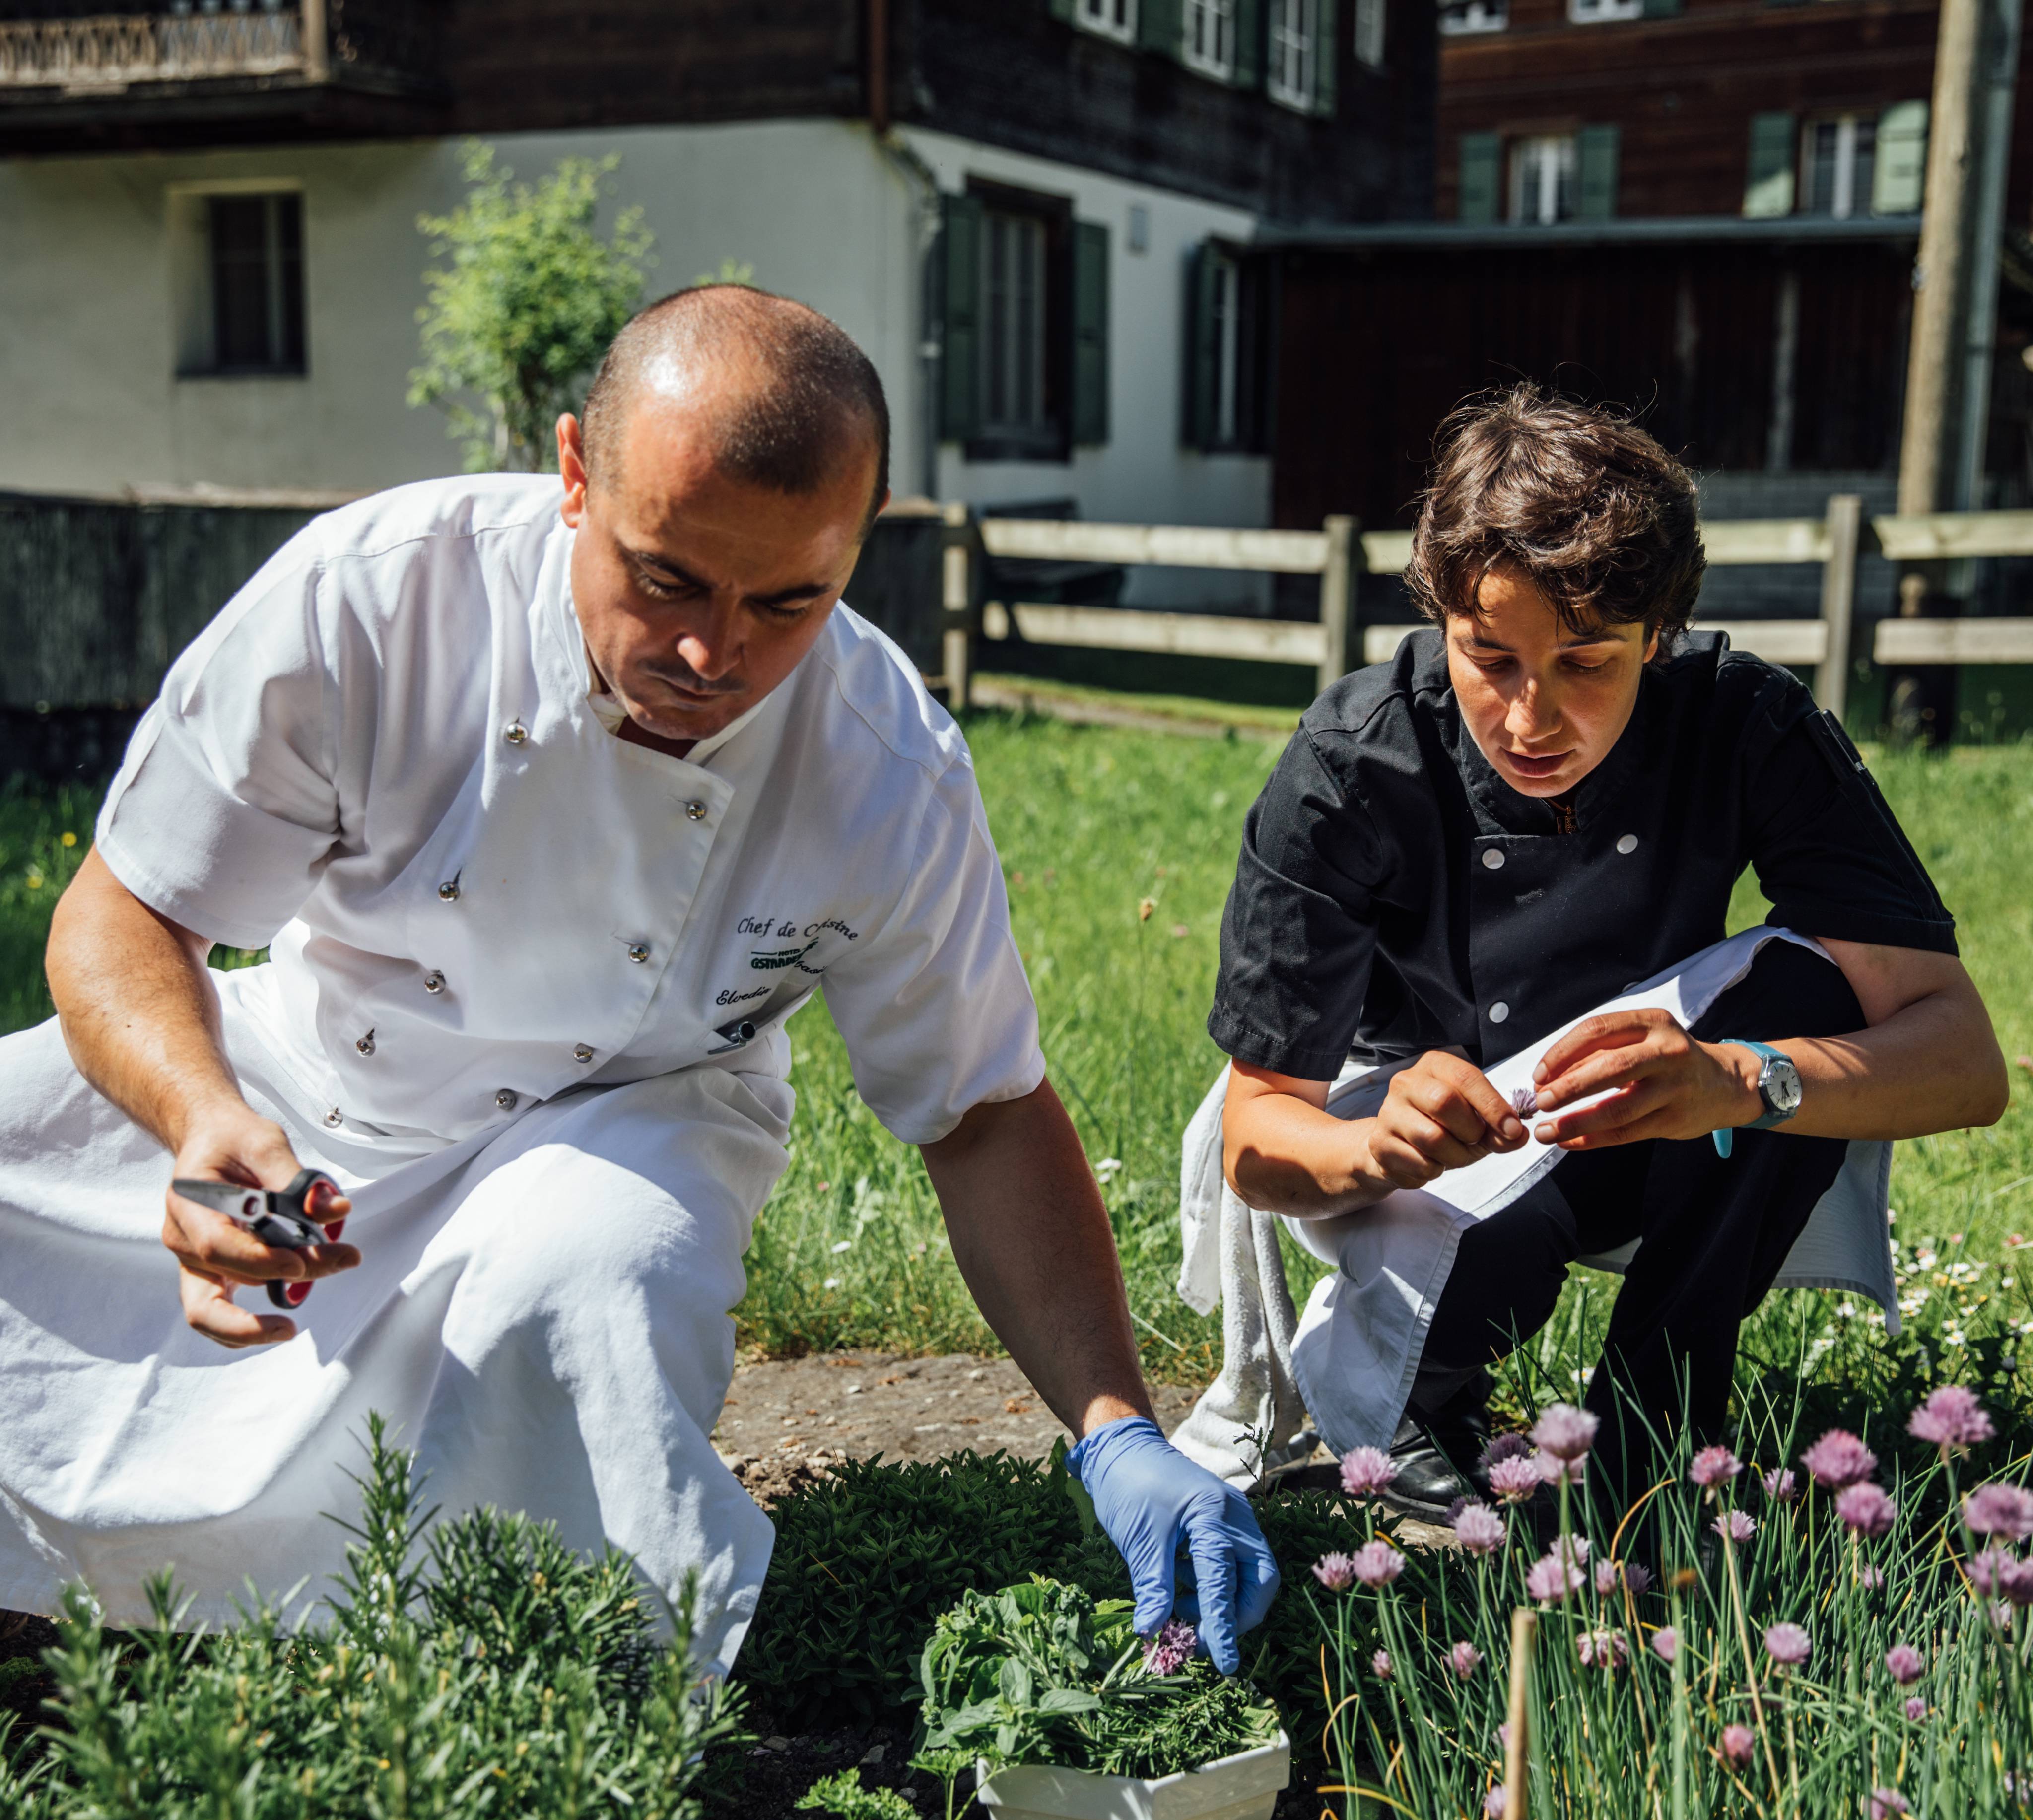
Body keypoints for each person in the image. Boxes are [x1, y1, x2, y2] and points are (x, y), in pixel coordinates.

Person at [0, 285, 1276, 1673]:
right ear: (571, 473)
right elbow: (128, 907)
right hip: (300, 1079)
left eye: (790, 601)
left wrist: (1119, 1429)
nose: (712, 654)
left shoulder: (884, 765)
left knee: (588, 1281)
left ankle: (529, 1702)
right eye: (665, 576)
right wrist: (198, 1114)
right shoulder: (371, 595)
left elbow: (980, 1110)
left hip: (630, 1112)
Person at [1204, 387, 2008, 1517]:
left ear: (1657, 638)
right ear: (1438, 615)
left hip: (1656, 1108)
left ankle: (1659, 1424)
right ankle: (1426, 1398)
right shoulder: (1352, 762)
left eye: (1586, 665)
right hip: (1427, 1130)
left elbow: (1963, 1061)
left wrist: (1740, 1080)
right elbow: (1253, 1134)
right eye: (1489, 659)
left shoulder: (1744, 722)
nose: (1531, 719)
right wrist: (1376, 1145)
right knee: (1496, 1237)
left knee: (1806, 989)